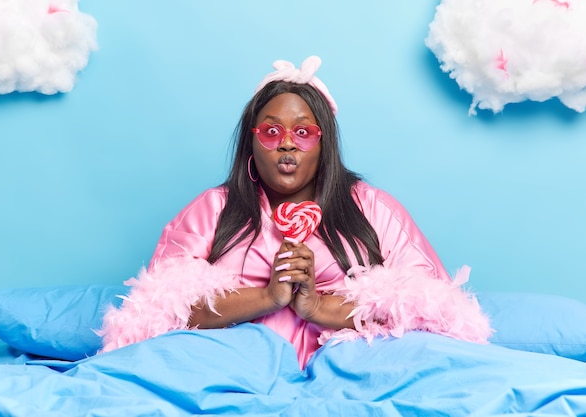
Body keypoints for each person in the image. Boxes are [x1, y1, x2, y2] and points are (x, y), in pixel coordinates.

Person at [100, 56, 491, 368]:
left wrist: (317, 306)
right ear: (251, 144)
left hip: (356, 367)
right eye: (271, 132)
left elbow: (427, 307)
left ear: (324, 144)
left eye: (303, 132)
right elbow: (161, 310)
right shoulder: (214, 209)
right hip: (229, 369)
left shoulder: (372, 208)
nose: (287, 144)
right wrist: (269, 296)